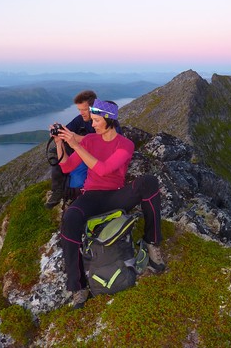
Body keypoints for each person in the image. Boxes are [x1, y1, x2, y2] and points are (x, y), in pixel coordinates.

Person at [52, 99, 165, 309]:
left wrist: (75, 143)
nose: (92, 125)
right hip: (92, 196)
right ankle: (77, 287)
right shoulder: (89, 140)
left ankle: (152, 242)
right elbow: (67, 167)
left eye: (96, 120)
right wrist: (60, 144)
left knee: (148, 182)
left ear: (108, 120)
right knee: (70, 218)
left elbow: (104, 169)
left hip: (116, 196)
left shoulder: (125, 144)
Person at [45, 90, 97, 209]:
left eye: (84, 109)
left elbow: (103, 142)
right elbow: (67, 131)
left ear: (94, 107)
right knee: (55, 153)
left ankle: (77, 195)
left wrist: (78, 138)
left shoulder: (103, 120)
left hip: (94, 156)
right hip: (81, 151)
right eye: (79, 110)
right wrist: (58, 132)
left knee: (77, 180)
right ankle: (58, 190)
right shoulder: (80, 119)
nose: (81, 113)